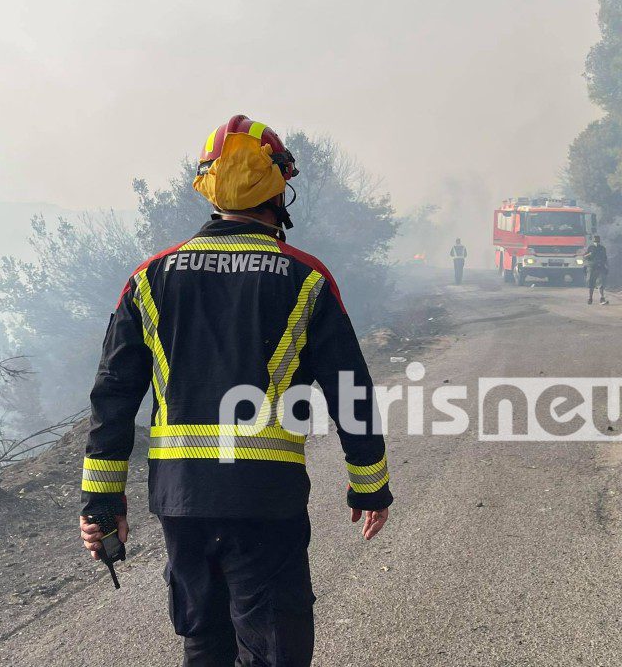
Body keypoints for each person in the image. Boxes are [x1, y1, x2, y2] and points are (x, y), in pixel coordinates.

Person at [78, 115, 392, 667]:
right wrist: (369, 485)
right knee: (274, 648)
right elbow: (350, 389)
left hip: (182, 499)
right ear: (278, 188)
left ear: (207, 185)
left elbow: (113, 396)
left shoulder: (151, 277)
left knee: (204, 643)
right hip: (263, 496)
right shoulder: (304, 278)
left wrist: (102, 505)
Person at [583, 235, 609, 305]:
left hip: (600, 267)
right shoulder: (590, 247)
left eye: (597, 240)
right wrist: (589, 254)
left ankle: (602, 298)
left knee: (600, 283)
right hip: (591, 267)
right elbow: (584, 256)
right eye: (595, 240)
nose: (596, 242)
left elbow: (605, 258)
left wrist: (606, 266)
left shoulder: (602, 248)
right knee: (591, 283)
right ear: (593, 241)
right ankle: (590, 298)